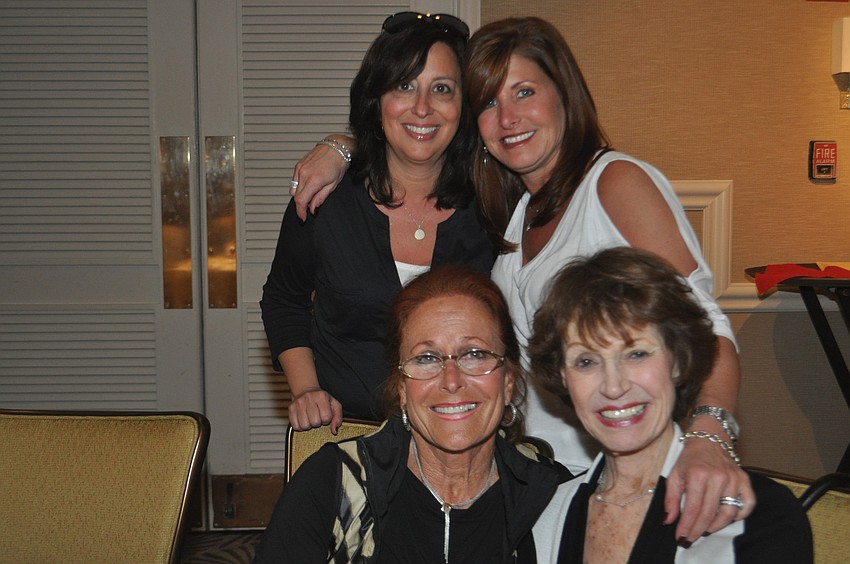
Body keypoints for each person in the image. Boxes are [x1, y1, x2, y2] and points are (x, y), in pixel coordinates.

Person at [287, 15, 750, 544]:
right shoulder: (515, 211)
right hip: (542, 487)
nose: (508, 118)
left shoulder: (615, 183)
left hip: (628, 474)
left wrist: (710, 433)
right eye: (489, 102)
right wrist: (343, 146)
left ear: (565, 94)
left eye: (524, 92)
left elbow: (705, 325)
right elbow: (405, 131)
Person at [260, 12, 495, 432]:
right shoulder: (325, 197)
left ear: (465, 107)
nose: (422, 107)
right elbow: (284, 299)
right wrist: (307, 390)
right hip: (346, 431)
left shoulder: (494, 205)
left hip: (462, 432)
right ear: (376, 99)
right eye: (404, 85)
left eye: (442, 89)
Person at [253, 265, 571, 563]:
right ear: (402, 388)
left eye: (474, 354)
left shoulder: (553, 495)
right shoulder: (333, 483)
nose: (451, 381)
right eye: (426, 358)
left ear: (508, 380)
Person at [527, 247, 812, 563]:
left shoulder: (756, 517)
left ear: (677, 361)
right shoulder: (543, 518)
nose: (613, 386)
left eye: (637, 354)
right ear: (563, 377)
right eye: (586, 361)